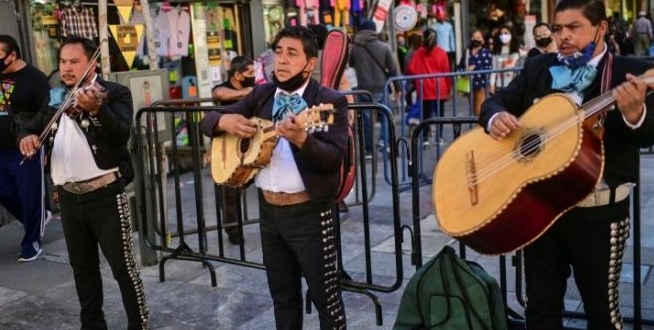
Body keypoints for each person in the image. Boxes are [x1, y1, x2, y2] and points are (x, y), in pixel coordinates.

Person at [479, 0, 654, 328]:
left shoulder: (630, 71)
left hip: (599, 213)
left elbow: (648, 133)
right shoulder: (538, 67)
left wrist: (635, 115)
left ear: (601, 28)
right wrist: (497, 116)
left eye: (574, 27)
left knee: (602, 313)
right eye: (558, 28)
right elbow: (496, 100)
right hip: (540, 210)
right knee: (540, 312)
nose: (563, 36)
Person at [200, 26, 348, 330]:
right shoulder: (262, 93)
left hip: (309, 213)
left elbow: (333, 158)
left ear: (310, 63)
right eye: (278, 51)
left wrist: (303, 140)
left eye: (291, 53)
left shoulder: (328, 101)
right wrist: (224, 119)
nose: (281, 60)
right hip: (268, 213)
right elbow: (207, 119)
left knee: (327, 302)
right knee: (283, 298)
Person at [18, 36, 149, 330]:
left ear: (92, 63)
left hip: (105, 194)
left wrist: (96, 111)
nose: (66, 68)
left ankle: (139, 325)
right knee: (82, 269)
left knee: (123, 268)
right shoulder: (54, 97)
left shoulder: (113, 93)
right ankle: (92, 324)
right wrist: (25, 136)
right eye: (63, 62)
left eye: (74, 62)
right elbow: (30, 123)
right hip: (68, 197)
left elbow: (119, 136)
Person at [0, 34, 51, 262]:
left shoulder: (35, 78)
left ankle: (31, 243)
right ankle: (40, 216)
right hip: (1, 148)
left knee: (31, 196)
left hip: (26, 147)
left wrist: (45, 144)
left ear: (13, 55)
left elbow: (48, 111)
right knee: (5, 192)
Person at [211, 55, 256, 245]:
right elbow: (219, 94)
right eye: (250, 73)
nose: (253, 76)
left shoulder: (255, 89)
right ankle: (233, 230)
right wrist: (247, 92)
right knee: (227, 192)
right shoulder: (223, 88)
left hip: (251, 146)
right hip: (226, 149)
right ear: (238, 75)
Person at [349, 19, 401, 154]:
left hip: (363, 89)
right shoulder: (384, 47)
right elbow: (393, 70)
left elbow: (351, 64)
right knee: (386, 116)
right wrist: (398, 89)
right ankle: (383, 141)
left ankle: (368, 149)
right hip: (381, 88)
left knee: (367, 121)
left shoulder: (355, 49)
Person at [406, 28, 451, 144]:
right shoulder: (442, 52)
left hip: (424, 87)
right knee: (440, 114)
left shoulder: (418, 53)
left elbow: (411, 69)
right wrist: (449, 88)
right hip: (439, 87)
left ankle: (425, 137)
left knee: (426, 114)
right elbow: (447, 72)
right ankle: (439, 137)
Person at [458, 29, 493, 116]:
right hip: (469, 85)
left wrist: (475, 67)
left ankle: (481, 127)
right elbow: (460, 66)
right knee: (473, 110)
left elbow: (489, 68)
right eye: (474, 37)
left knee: (479, 110)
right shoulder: (467, 52)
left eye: (478, 37)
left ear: (483, 40)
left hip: (481, 85)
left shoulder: (486, 52)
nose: (476, 39)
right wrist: (465, 70)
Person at [489, 25, 524, 94]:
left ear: (511, 34)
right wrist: (492, 84)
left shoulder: (519, 50)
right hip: (500, 84)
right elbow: (494, 69)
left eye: (506, 33)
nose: (503, 35)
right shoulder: (497, 50)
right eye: (501, 34)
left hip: (515, 84)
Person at [431, 6, 456, 70]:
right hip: (437, 50)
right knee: (438, 68)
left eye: (443, 15)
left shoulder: (449, 26)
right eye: (440, 15)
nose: (442, 16)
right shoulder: (433, 27)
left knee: (448, 67)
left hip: (448, 51)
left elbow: (452, 39)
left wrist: (453, 50)